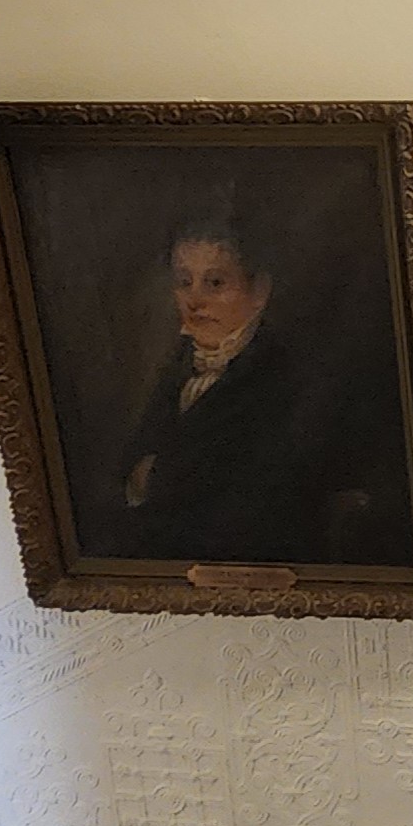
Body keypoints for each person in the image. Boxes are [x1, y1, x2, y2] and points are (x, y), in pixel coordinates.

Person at [119, 215, 329, 565]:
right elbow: (129, 467)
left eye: (214, 282)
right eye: (184, 282)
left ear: (259, 291)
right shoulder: (179, 366)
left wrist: (158, 479)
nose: (194, 300)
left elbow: (257, 498)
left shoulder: (284, 372)